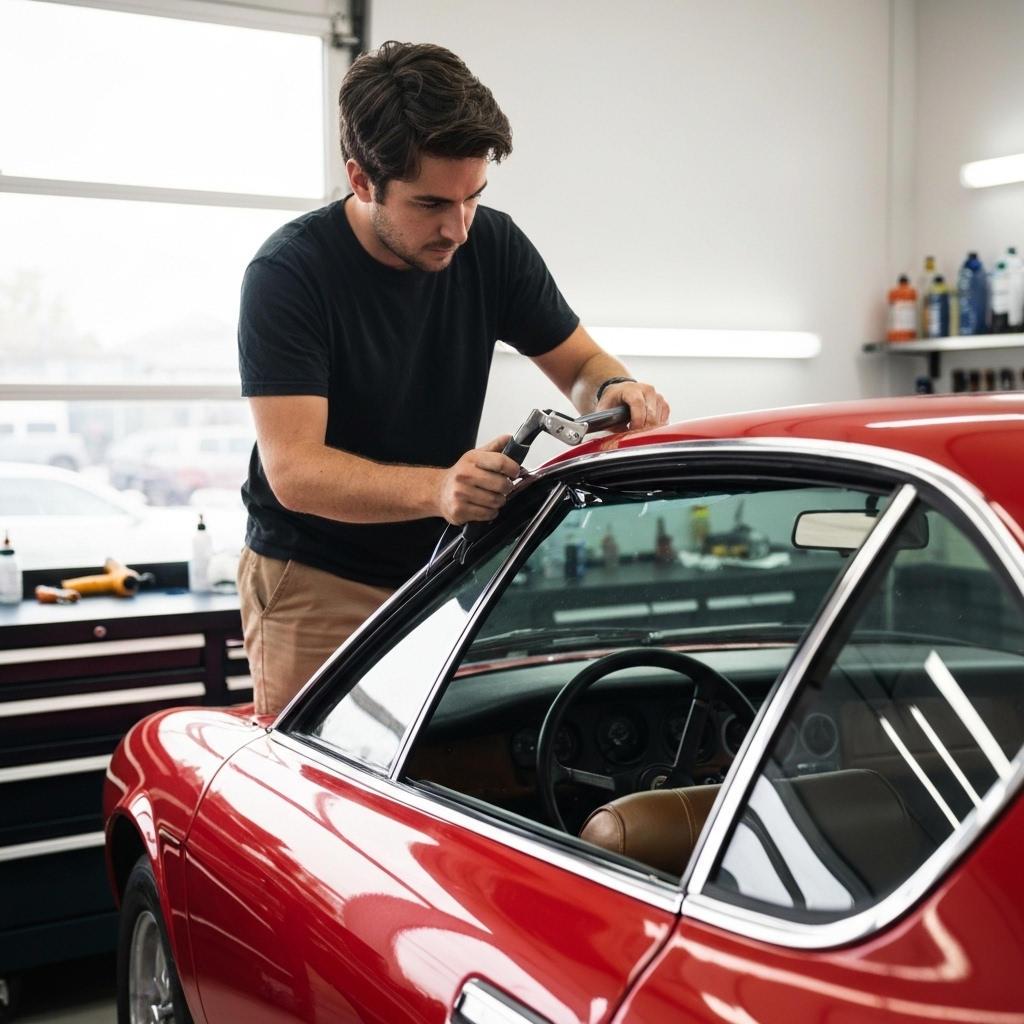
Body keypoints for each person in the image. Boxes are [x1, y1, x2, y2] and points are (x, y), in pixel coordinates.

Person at [238, 40, 670, 716]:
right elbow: (294, 472)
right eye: (431, 204)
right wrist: (441, 488)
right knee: (317, 773)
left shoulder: (493, 246)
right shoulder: (289, 275)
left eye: (473, 198)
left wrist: (615, 390)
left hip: (439, 570)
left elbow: (584, 370)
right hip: (316, 578)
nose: (458, 229)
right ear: (362, 180)